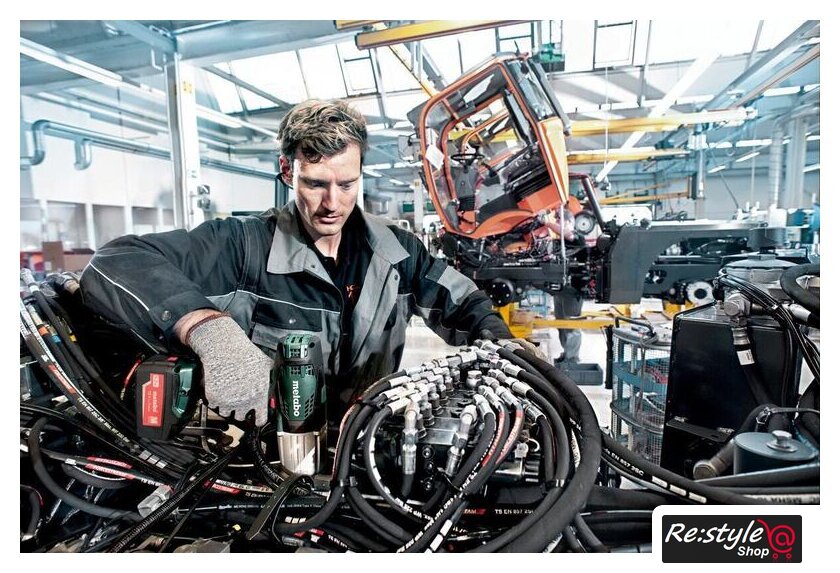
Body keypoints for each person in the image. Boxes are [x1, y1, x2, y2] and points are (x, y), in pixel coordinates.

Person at [79, 99, 513, 427]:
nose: (332, 203)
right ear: (288, 171)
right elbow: (118, 259)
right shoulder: (242, 247)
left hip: (362, 443)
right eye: (315, 184)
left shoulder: (397, 250)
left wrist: (505, 348)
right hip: (266, 464)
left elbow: (463, 302)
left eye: (347, 184)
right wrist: (210, 331)